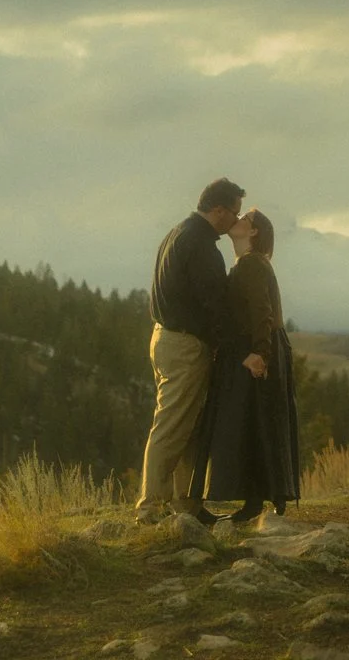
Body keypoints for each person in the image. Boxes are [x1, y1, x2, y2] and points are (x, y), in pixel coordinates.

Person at [135, 176, 244, 524]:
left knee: (187, 424)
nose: (235, 223)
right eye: (234, 213)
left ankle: (187, 505)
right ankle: (151, 507)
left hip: (164, 337)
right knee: (171, 425)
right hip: (184, 344)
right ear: (218, 209)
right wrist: (229, 346)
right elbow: (214, 303)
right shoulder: (201, 246)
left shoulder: (177, 233)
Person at [190, 207, 300, 524]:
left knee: (252, 422)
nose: (236, 220)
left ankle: (257, 501)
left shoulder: (250, 264)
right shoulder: (249, 263)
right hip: (255, 348)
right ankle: (260, 499)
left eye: (244, 220)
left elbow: (262, 312)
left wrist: (260, 353)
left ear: (253, 232)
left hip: (255, 349)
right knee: (258, 422)